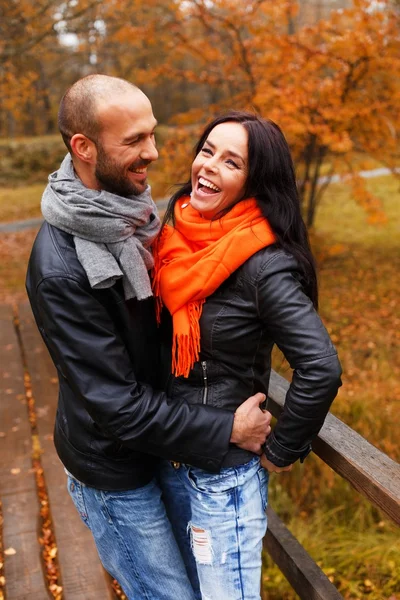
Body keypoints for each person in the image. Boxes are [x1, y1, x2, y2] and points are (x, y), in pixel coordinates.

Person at [25, 76, 272, 600]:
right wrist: (227, 427)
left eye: (152, 135)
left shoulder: (131, 213)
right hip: (114, 469)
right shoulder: (62, 268)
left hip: (165, 444)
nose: (154, 153)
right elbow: (118, 407)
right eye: (134, 141)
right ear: (84, 148)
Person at [153, 111, 343, 600]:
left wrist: (283, 450)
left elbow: (320, 367)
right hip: (181, 459)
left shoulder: (264, 264)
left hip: (224, 482)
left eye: (231, 161)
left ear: (254, 182)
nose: (209, 165)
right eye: (208, 150)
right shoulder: (179, 233)